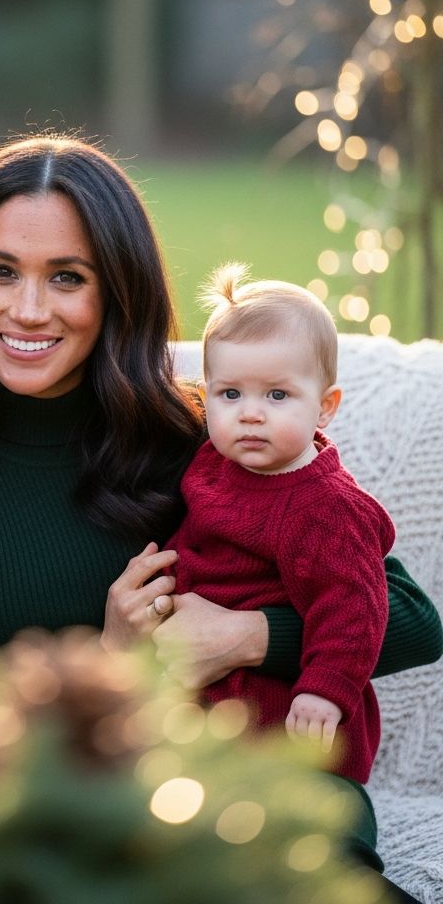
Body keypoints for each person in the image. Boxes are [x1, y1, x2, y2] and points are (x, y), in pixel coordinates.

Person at [0, 135, 439, 897]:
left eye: (68, 277)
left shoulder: (206, 437)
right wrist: (111, 663)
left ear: (117, 291)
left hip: (275, 794)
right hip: (72, 817)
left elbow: (410, 616)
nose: (29, 309)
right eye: (0, 271)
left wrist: (239, 636)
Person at [164, 263, 391, 787]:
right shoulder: (213, 464)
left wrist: (325, 689)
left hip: (289, 714)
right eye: (230, 394)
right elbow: (195, 545)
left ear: (325, 408)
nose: (250, 414)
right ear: (206, 395)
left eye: (277, 395)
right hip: (212, 701)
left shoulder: (326, 508)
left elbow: (356, 607)